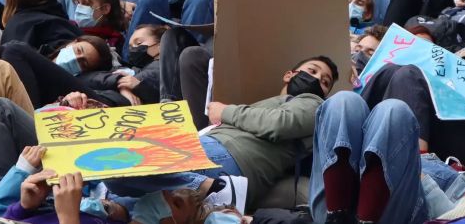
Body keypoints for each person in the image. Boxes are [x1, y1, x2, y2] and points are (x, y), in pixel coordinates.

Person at [103, 56, 338, 211]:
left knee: (113, 168)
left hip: (228, 155)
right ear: (289, 74)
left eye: (325, 81)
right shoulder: (272, 101)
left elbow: (278, 124)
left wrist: (226, 111)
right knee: (119, 198)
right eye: (312, 70)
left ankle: (204, 186)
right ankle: (204, 189)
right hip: (212, 149)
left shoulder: (313, 103)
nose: (316, 79)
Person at [309, 92, 428, 224]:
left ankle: (350, 217)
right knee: (344, 101)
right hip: (332, 205)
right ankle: (337, 216)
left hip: (393, 208)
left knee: (395, 110)